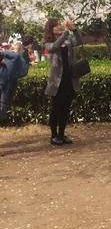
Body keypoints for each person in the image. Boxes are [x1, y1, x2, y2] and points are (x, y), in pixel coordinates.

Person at [44, 18, 81, 146]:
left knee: (65, 108)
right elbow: (55, 46)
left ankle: (61, 134)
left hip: (69, 78)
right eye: (55, 26)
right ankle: (53, 135)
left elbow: (79, 42)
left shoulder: (67, 40)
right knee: (55, 109)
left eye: (59, 25)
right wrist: (66, 32)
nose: (59, 27)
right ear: (51, 29)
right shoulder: (48, 42)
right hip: (56, 81)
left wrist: (74, 30)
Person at [0, 41, 32, 121]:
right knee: (4, 103)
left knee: (2, 103)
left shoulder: (13, 55)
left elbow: (1, 53)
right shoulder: (20, 59)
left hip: (3, 81)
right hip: (11, 83)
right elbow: (24, 72)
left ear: (14, 47)